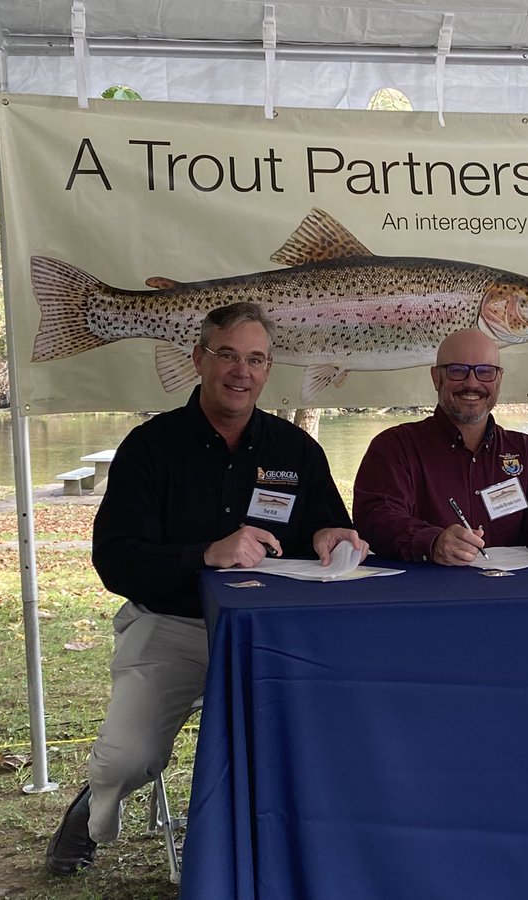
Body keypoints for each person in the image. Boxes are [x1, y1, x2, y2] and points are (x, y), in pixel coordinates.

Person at [46, 302, 366, 875]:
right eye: (227, 355)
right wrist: (206, 555)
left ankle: (297, 849)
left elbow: (327, 523)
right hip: (174, 626)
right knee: (130, 757)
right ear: (198, 359)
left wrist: (332, 535)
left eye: (256, 359)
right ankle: (91, 808)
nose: (241, 371)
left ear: (268, 370)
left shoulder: (297, 451)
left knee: (329, 736)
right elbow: (115, 560)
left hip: (273, 633)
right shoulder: (150, 447)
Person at [353, 327, 528, 564]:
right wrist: (432, 542)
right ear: (436, 378)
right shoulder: (394, 449)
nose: (472, 383)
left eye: (485, 372)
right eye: (457, 371)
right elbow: (375, 518)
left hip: (514, 592)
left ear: (499, 379)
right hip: (427, 595)